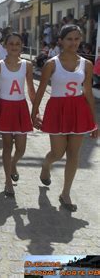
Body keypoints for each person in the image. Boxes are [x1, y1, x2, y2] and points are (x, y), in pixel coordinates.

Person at [31, 24, 97, 212]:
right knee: (58, 153)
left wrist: (94, 122)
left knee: (74, 154)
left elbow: (88, 94)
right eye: (69, 39)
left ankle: (65, 193)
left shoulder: (87, 64)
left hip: (78, 110)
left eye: (77, 39)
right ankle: (46, 164)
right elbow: (41, 90)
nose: (73, 43)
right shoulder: (51, 63)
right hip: (57, 110)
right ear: (60, 40)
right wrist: (34, 112)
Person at [0, 33, 36, 196]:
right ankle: (8, 181)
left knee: (21, 148)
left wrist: (35, 109)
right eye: (11, 43)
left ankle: (12, 164)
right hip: (5, 107)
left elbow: (31, 88)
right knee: (7, 146)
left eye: (18, 43)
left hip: (20, 107)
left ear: (21, 45)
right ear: (5, 46)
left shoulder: (27, 65)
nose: (14, 46)